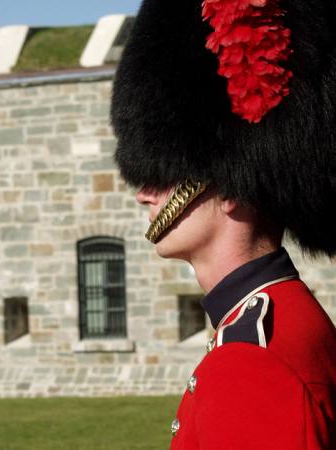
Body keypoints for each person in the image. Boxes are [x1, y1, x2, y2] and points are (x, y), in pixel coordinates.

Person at [110, 0, 336, 448]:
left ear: (231, 189)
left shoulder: (250, 362)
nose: (143, 193)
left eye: (162, 172)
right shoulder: (284, 321)